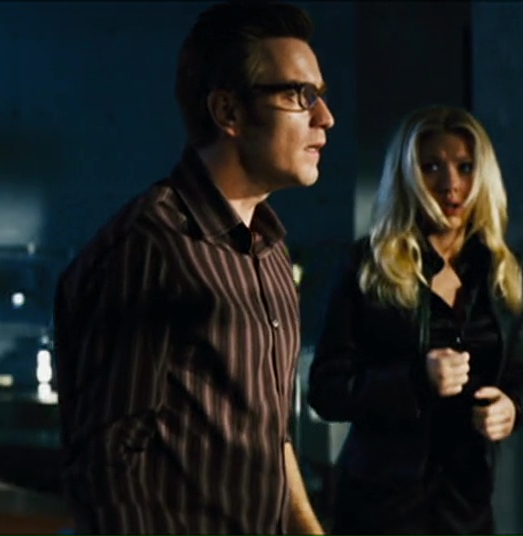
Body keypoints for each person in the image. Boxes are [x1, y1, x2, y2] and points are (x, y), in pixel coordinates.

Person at [52, 1, 334, 533]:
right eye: (301, 95)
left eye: (319, 95)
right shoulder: (149, 246)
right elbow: (105, 467)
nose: (325, 117)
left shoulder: (271, 250)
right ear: (228, 112)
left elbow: (272, 438)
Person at [307, 105, 523, 535]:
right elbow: (326, 390)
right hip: (381, 509)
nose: (451, 185)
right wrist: (415, 379)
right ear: (407, 177)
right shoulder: (367, 266)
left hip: (467, 506)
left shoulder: (502, 269)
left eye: (465, 167)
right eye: (431, 167)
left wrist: (513, 406)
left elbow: (522, 374)